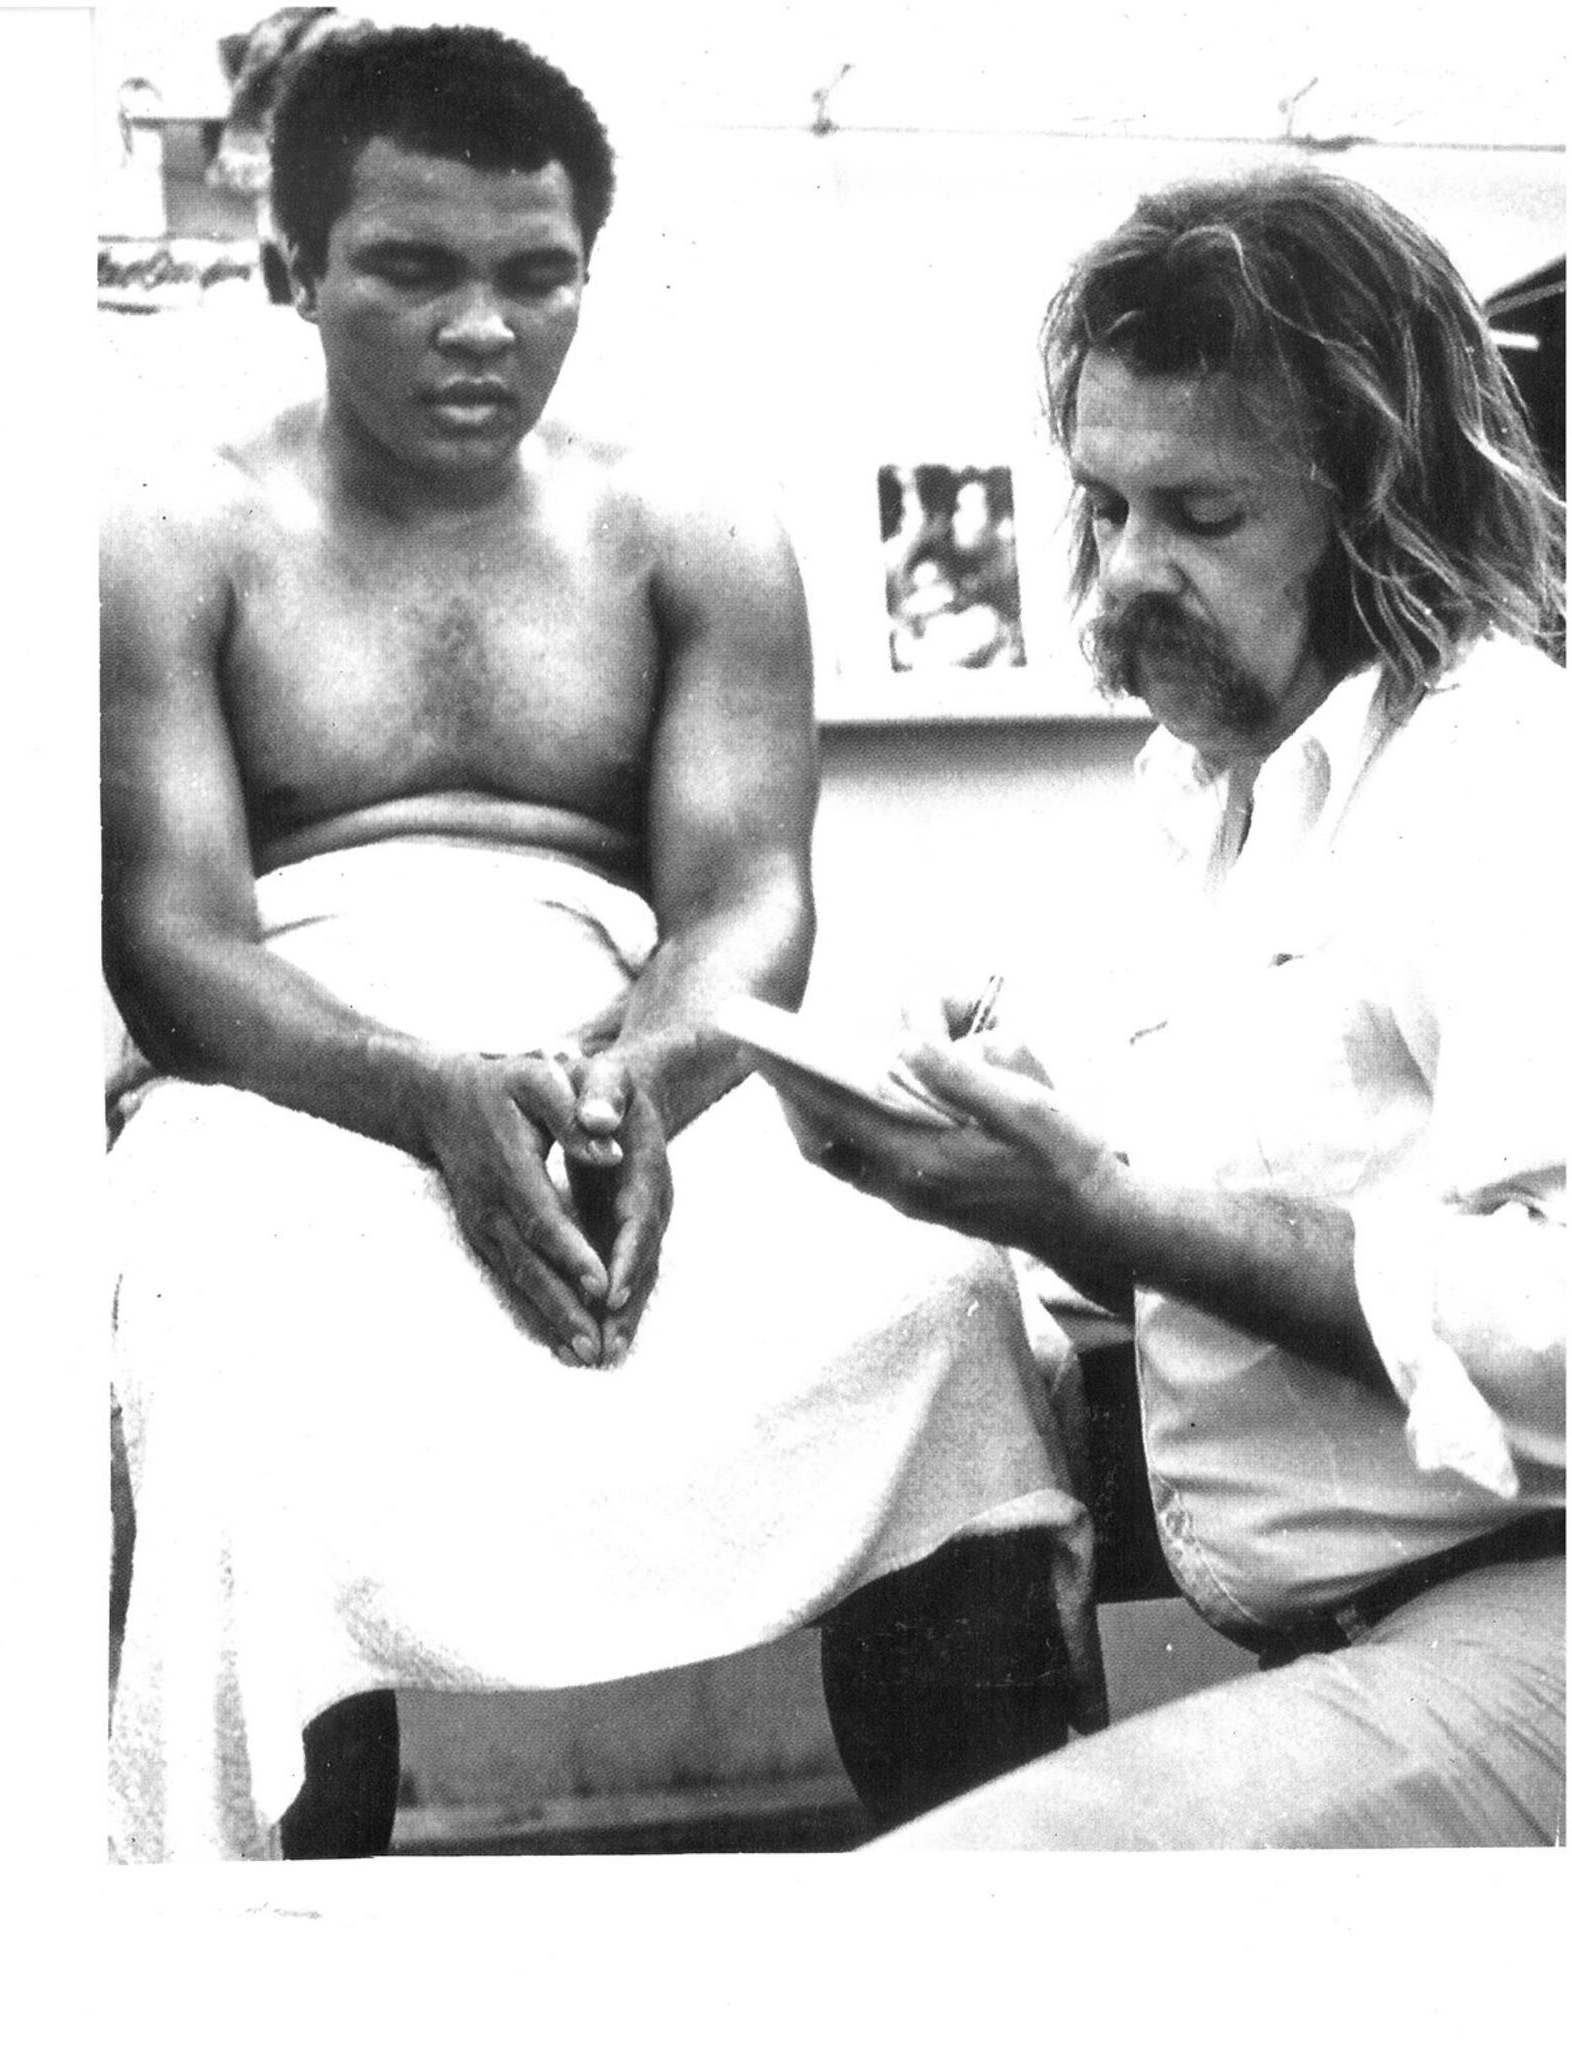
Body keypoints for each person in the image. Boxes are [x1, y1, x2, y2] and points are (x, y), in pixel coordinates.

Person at [102, 24, 1094, 1861]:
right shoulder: (174, 538)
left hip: (636, 1042)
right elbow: (169, 942)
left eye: (532, 277)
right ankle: (245, 1979)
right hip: (288, 1072)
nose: (481, 329)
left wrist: (644, 1080)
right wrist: (422, 1096)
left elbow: (747, 900)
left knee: (939, 1302)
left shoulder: (689, 522)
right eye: (411, 270)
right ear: (289, 270)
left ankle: (1015, 1902)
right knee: (236, 1368)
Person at [755, 166, 1566, 1847]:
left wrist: (1112, 1205)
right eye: (1108, 506)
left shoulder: (1494, 776)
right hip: (1342, 1628)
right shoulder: (1203, 786)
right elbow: (1183, 1212)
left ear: (1379, 503)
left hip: (1530, 1615)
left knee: (958, 1909)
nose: (1128, 573)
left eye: (1204, 521)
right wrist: (974, 1145)